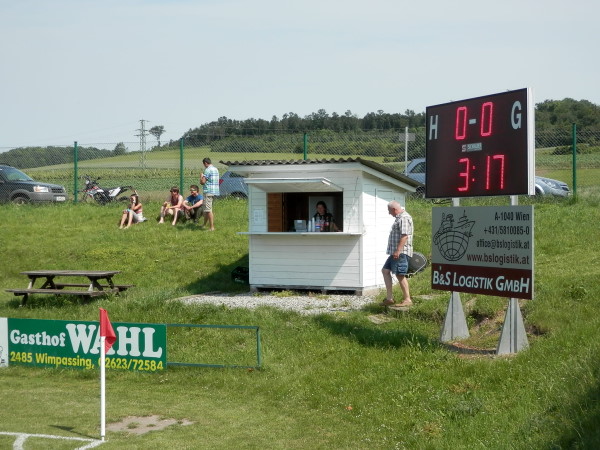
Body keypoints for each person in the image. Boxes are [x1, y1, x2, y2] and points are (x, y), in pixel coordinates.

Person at [381, 200, 413, 307]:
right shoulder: (399, 218)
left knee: (400, 275)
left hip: (401, 252)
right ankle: (389, 298)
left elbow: (404, 236)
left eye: (390, 211)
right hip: (395, 252)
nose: (389, 213)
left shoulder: (404, 218)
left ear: (394, 209)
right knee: (385, 271)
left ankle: (407, 299)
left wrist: (398, 251)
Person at [200, 157, 220, 231]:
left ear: (205, 163)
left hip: (208, 191)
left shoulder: (207, 170)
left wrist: (201, 177)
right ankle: (204, 224)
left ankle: (212, 227)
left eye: (204, 164)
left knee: (208, 210)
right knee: (207, 209)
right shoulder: (216, 169)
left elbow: (202, 182)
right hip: (215, 191)